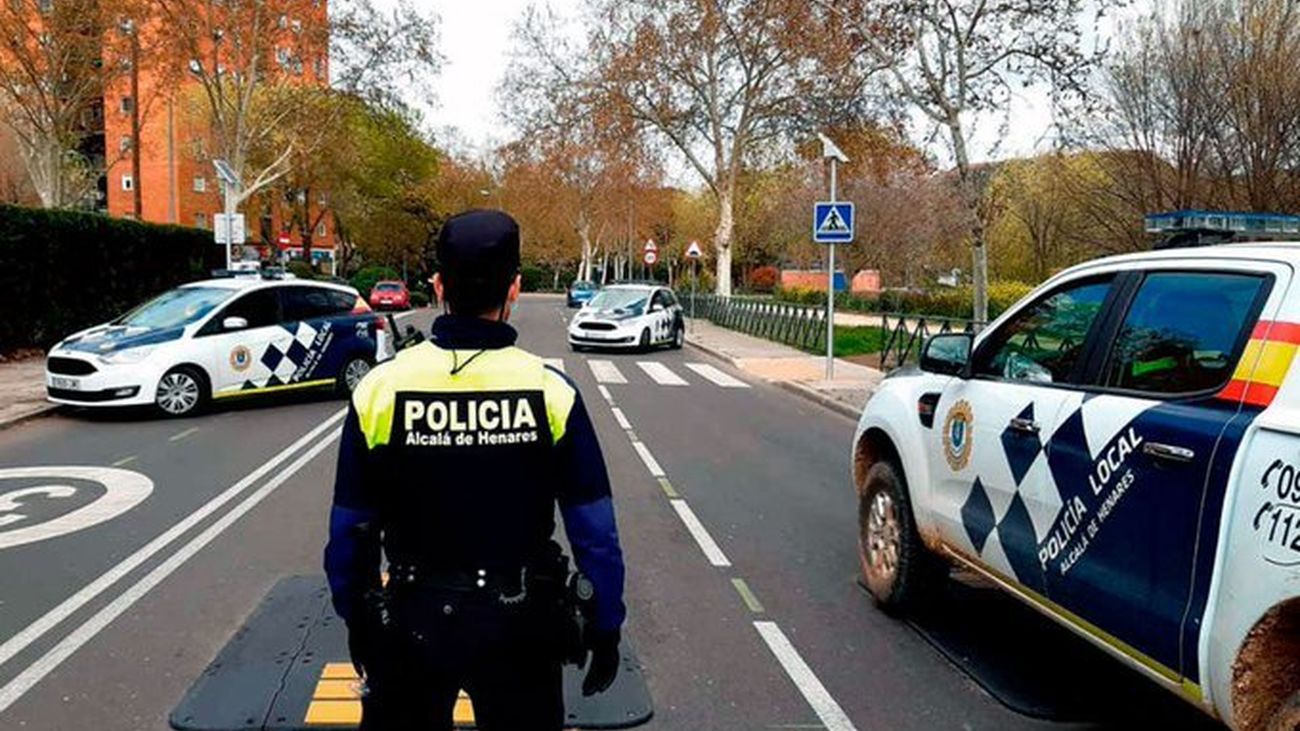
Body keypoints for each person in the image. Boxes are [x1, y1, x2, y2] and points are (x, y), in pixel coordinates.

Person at [324, 209, 626, 730]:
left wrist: (357, 615)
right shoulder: (550, 391)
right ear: (513, 290)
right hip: (521, 626)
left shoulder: (381, 388)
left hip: (411, 621)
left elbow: (350, 525)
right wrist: (606, 623)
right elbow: (595, 531)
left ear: (438, 285)